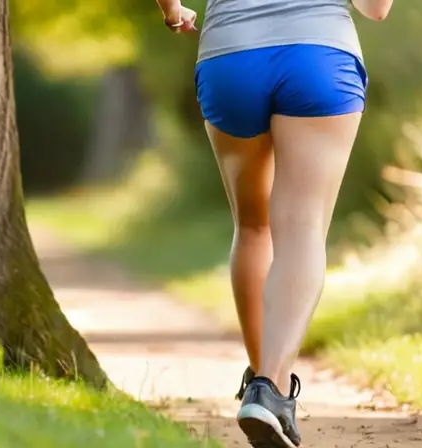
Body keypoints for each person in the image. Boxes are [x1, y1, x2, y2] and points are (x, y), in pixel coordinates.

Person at [153, 0, 394, 446]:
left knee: (251, 227)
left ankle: (262, 384)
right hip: (319, 53)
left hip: (231, 54)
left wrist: (171, 11)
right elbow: (376, 9)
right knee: (302, 226)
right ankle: (269, 387)